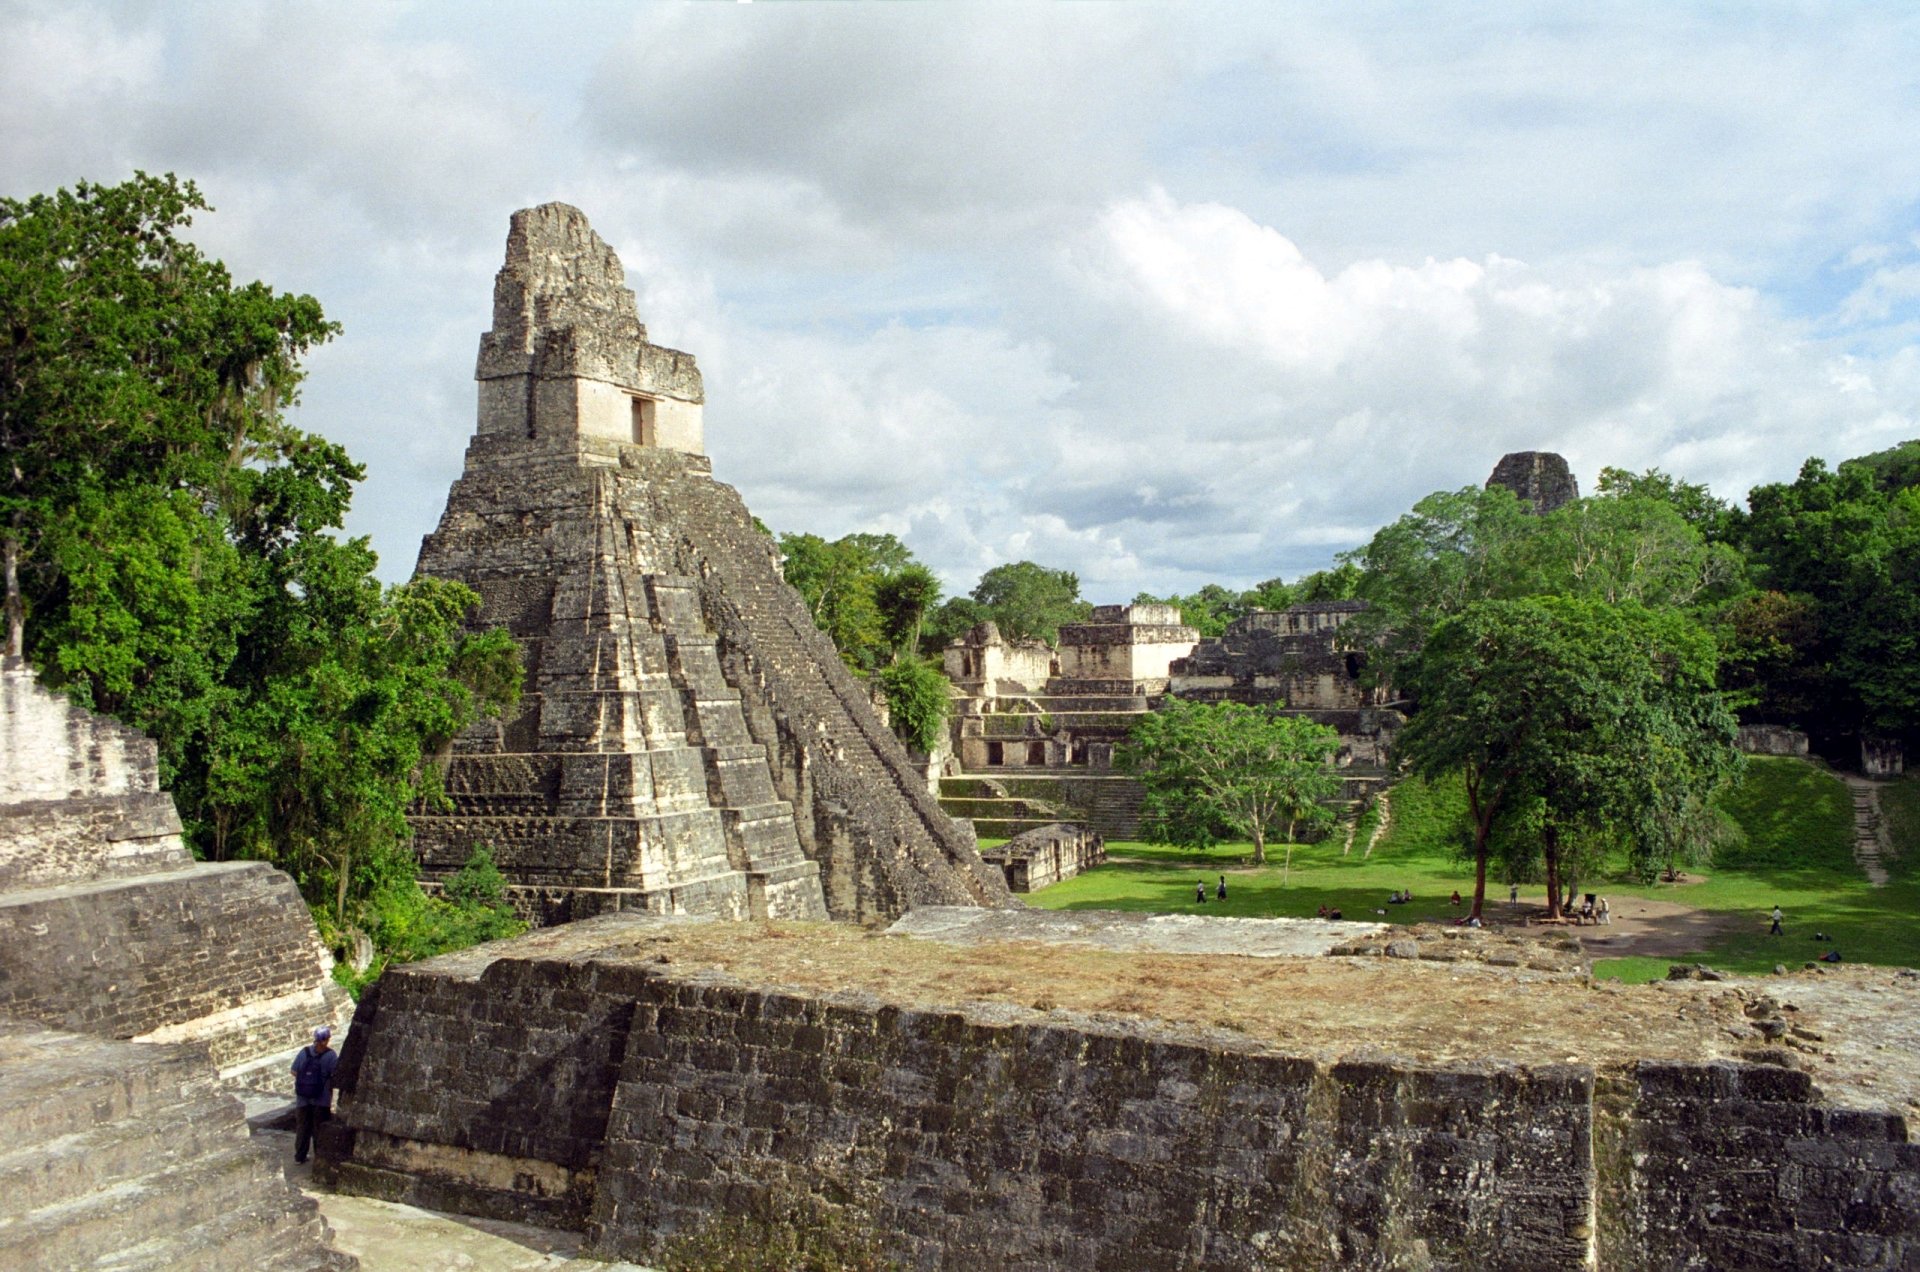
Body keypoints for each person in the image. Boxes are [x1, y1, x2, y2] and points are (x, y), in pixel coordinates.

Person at [291, 1026, 339, 1165]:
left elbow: (294, 1071)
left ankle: (300, 1157)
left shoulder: (304, 1052)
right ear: (326, 1040)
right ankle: (320, 1157)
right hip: (321, 1099)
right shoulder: (330, 1056)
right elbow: (336, 1075)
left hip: (302, 1099)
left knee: (302, 1129)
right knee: (319, 1129)